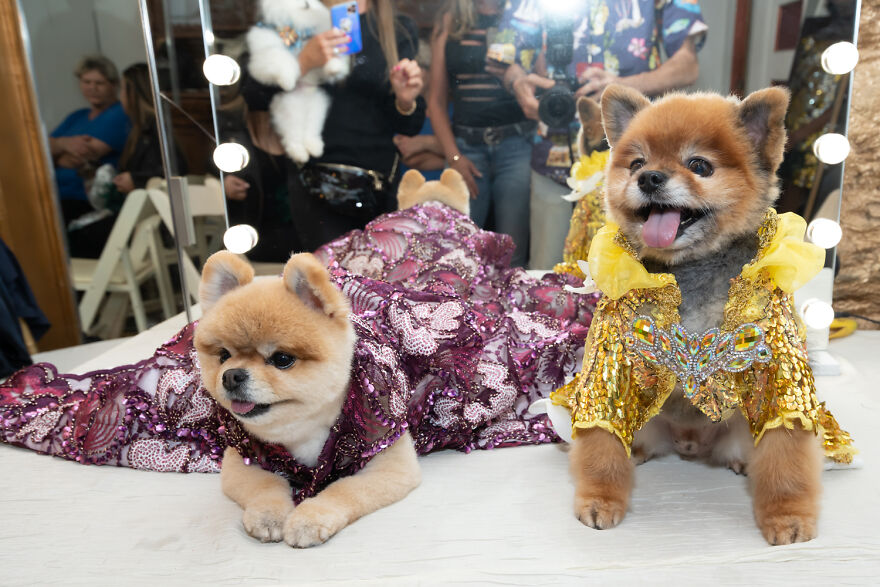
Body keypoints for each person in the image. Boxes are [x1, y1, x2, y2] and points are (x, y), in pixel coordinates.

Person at [0, 187, 597, 484]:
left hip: (381, 293)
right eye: (225, 355)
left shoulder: (385, 371)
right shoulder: (203, 382)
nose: (238, 373)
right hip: (329, 285)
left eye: (279, 359)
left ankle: (433, 205)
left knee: (446, 260)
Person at [496, 0, 707, 269]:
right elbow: (505, 58)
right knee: (547, 274)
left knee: (634, 281)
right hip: (552, 160)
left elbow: (688, 65)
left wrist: (621, 88)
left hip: (639, 171)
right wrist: (518, 83)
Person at [241, 0, 427, 252]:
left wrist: (405, 100)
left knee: (376, 286)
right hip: (313, 181)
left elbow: (409, 125)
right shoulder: (295, 18)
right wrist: (303, 62)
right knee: (329, 285)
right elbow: (254, 95)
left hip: (379, 185)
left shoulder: (397, 29)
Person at [429, 0, 534, 267]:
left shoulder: (523, 16)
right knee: (459, 254)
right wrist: (453, 156)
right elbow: (435, 102)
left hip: (516, 146)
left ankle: (514, 309)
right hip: (466, 149)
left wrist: (516, 76)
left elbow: (541, 88)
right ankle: (460, 309)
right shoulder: (451, 20)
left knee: (513, 253)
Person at [49, 56, 130, 234]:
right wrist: (64, 143)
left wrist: (54, 152)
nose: (92, 88)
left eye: (99, 83)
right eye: (86, 82)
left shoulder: (118, 114)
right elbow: (38, 150)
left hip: (85, 201)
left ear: (113, 85)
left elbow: (82, 155)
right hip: (54, 196)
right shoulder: (77, 116)